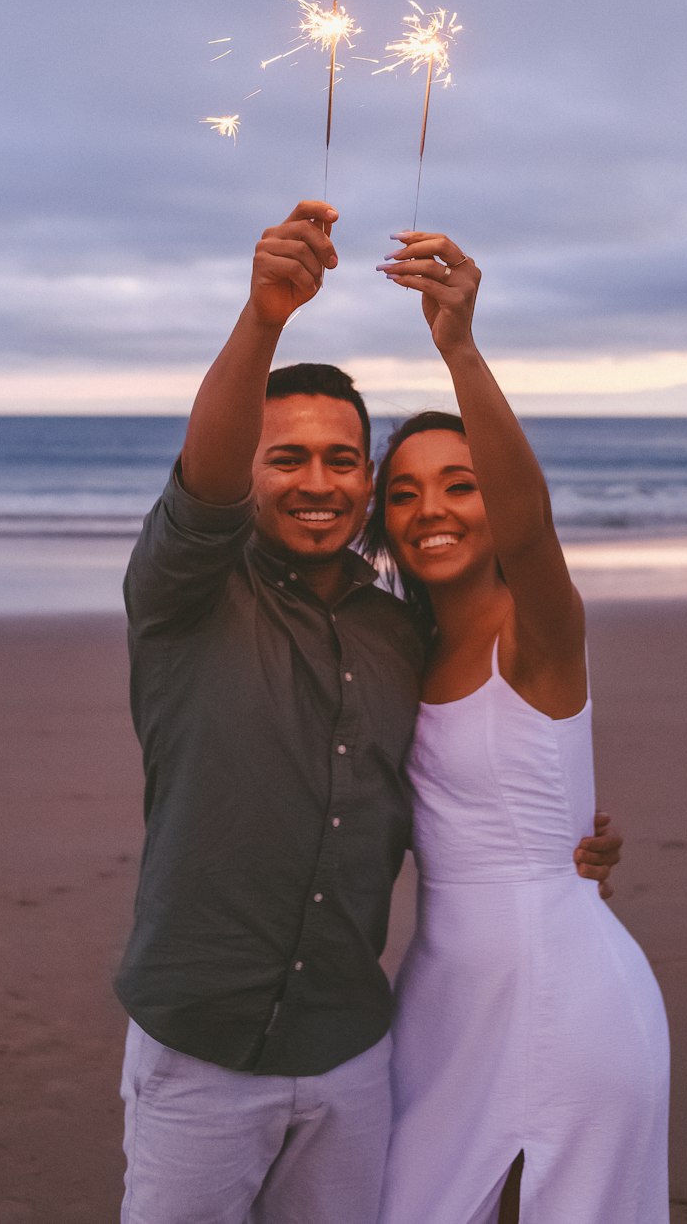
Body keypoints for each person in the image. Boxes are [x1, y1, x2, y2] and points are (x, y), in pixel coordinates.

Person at [114, 199, 623, 1224]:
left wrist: (568, 844)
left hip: (352, 1049)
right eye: (287, 457)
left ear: (367, 488)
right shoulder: (188, 595)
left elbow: (482, 759)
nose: (317, 482)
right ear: (252, 472)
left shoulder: (401, 636)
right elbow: (202, 486)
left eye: (344, 462)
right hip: (200, 1045)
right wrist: (264, 319)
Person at [367, 230, 670, 1224]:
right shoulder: (399, 650)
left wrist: (458, 348)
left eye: (459, 484)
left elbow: (533, 526)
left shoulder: (536, 634)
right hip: (442, 1000)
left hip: (569, 995)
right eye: (403, 492)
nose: (433, 510)